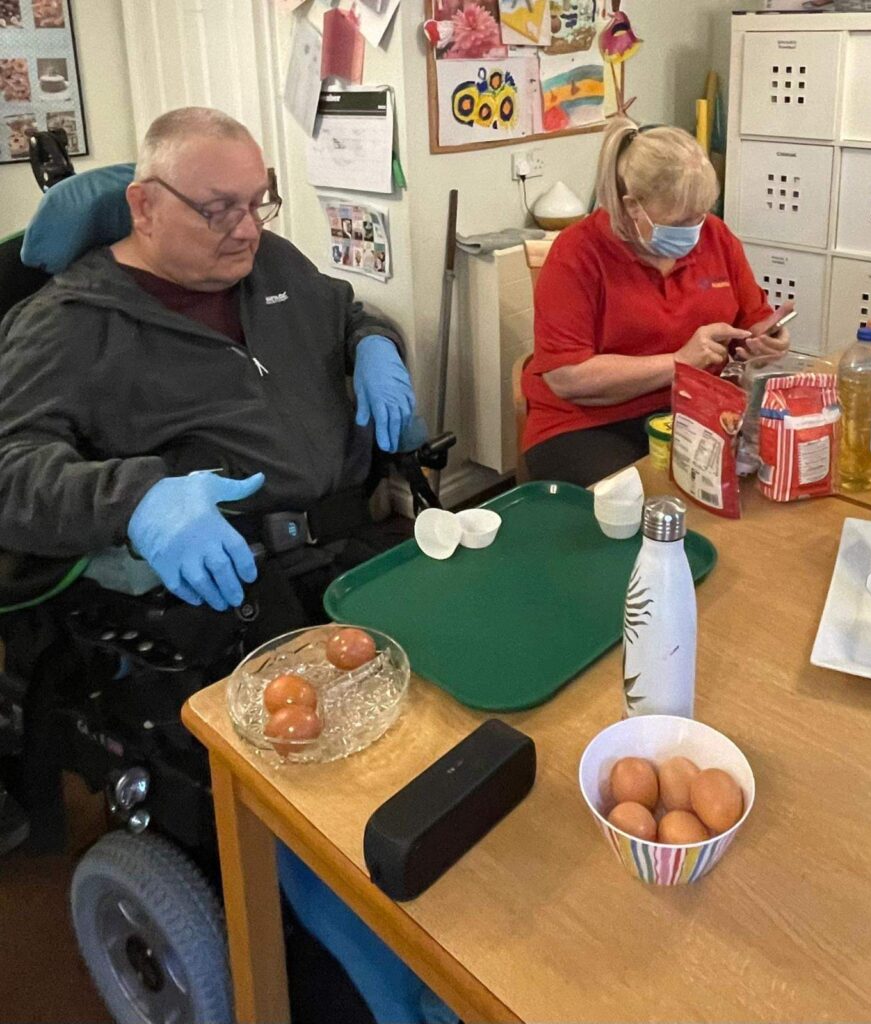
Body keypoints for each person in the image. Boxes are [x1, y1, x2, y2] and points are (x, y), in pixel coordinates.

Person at [0, 107, 456, 1024]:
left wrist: (374, 342)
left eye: (259, 201)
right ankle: (405, 989)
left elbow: (346, 309)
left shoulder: (270, 266)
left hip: (353, 547)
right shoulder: (69, 325)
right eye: (219, 209)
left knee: (463, 695)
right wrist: (137, 500)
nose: (247, 228)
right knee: (329, 793)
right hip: (229, 583)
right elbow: (11, 472)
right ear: (144, 206)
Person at [522, 117, 792, 486]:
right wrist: (679, 361)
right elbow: (567, 378)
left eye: (701, 215)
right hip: (590, 424)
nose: (695, 231)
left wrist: (766, 339)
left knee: (768, 477)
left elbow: (751, 321)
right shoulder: (577, 253)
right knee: (640, 501)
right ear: (633, 206)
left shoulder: (715, 236)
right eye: (680, 221)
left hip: (695, 409)